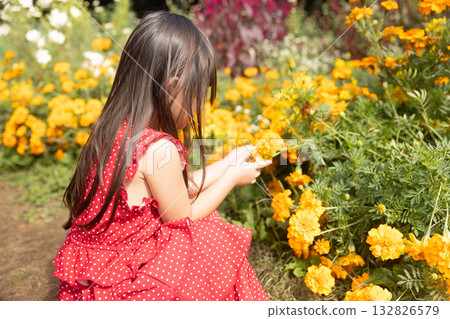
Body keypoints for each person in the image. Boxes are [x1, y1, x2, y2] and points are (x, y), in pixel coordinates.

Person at [52, 10, 272, 301]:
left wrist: (228, 161)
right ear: (172, 87)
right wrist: (231, 178)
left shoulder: (111, 129)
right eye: (199, 95)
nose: (200, 108)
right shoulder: (158, 148)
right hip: (125, 284)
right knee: (211, 233)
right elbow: (185, 216)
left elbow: (174, 193)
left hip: (92, 277)